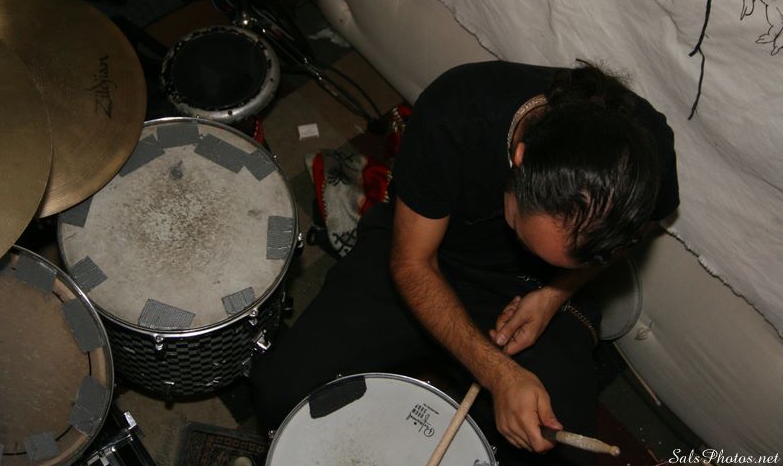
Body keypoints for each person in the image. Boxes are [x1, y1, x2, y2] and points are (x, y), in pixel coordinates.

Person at [250, 60, 679, 465]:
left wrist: (555, 290)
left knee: (559, 451)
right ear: (520, 160)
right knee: (281, 391)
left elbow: (640, 228)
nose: (527, 249)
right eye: (525, 238)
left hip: (532, 289)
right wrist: (498, 374)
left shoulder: (646, 147)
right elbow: (412, 264)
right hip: (427, 255)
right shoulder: (458, 111)